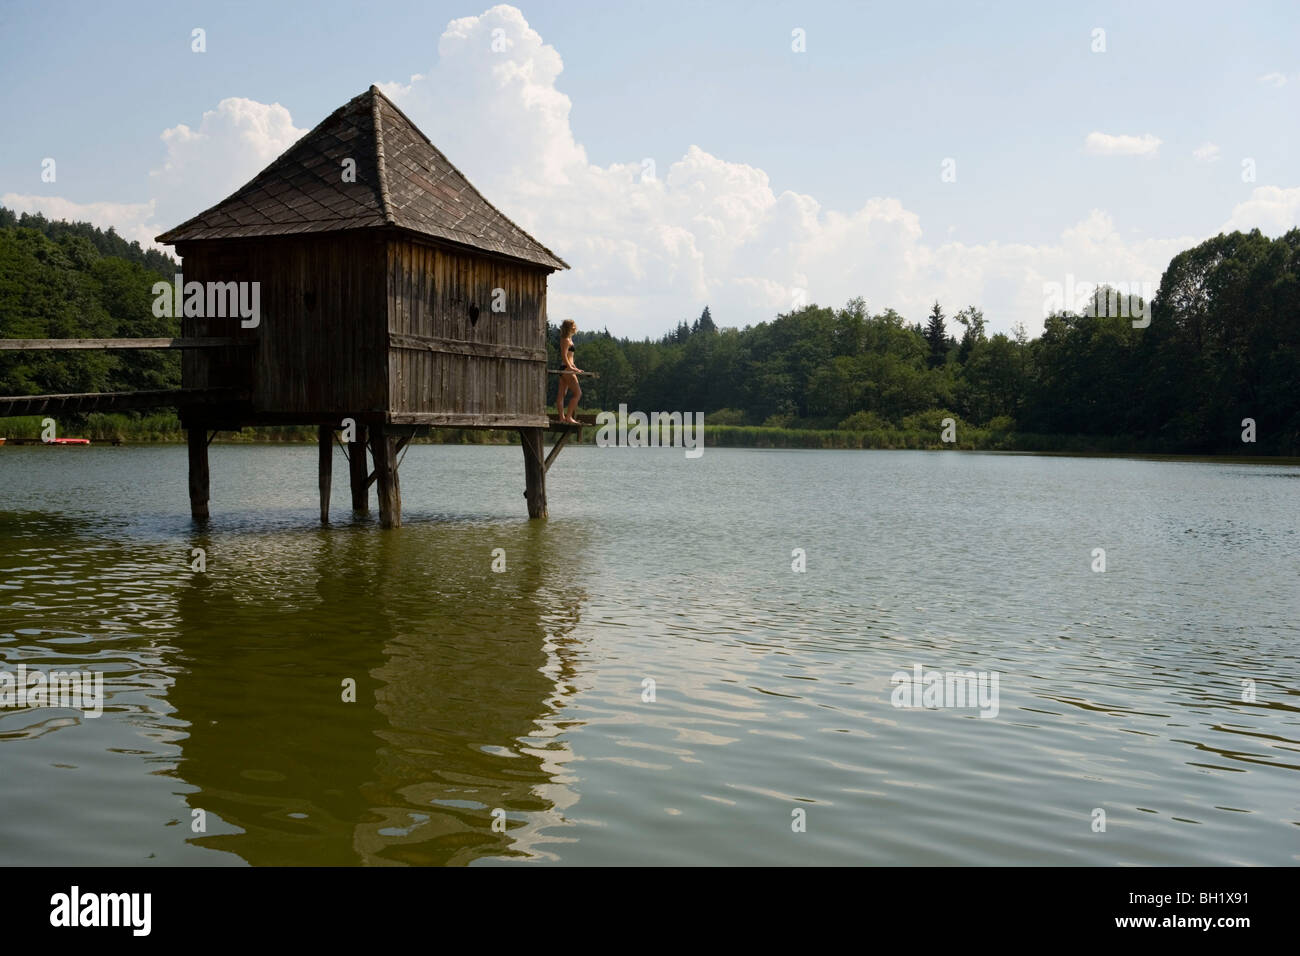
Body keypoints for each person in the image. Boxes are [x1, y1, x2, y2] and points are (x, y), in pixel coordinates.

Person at [556, 319, 583, 424]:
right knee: (578, 393)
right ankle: (568, 417)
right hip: (566, 369)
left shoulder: (569, 339)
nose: (575, 327)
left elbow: (570, 357)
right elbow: (563, 356)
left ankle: (562, 418)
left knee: (562, 394)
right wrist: (571, 368)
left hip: (566, 368)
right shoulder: (566, 340)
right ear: (569, 327)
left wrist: (575, 367)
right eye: (573, 325)